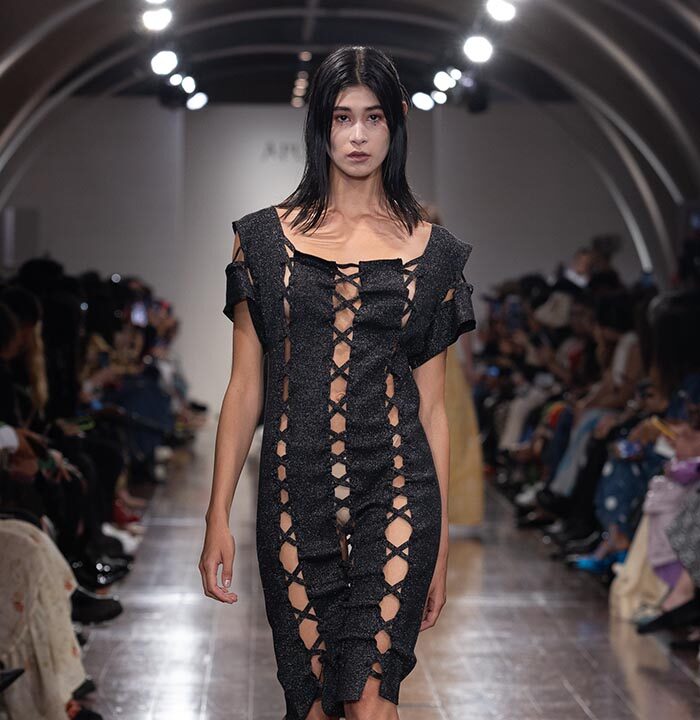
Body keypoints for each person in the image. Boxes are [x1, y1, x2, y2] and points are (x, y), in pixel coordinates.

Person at [198, 45, 477, 720]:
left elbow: (433, 409)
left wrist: (440, 543)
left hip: (399, 484)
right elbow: (245, 389)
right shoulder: (262, 240)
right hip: (294, 485)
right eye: (341, 117)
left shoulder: (433, 252)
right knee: (316, 704)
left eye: (373, 117)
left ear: (396, 122)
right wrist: (216, 515)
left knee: (369, 701)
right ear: (318, 124)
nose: (357, 135)